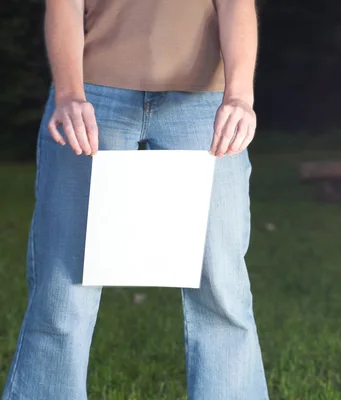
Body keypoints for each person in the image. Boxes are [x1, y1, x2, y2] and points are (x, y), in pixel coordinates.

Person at [1, 0, 269, 399]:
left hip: (203, 106)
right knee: (63, 286)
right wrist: (69, 94)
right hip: (92, 99)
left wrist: (239, 97)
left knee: (221, 284)